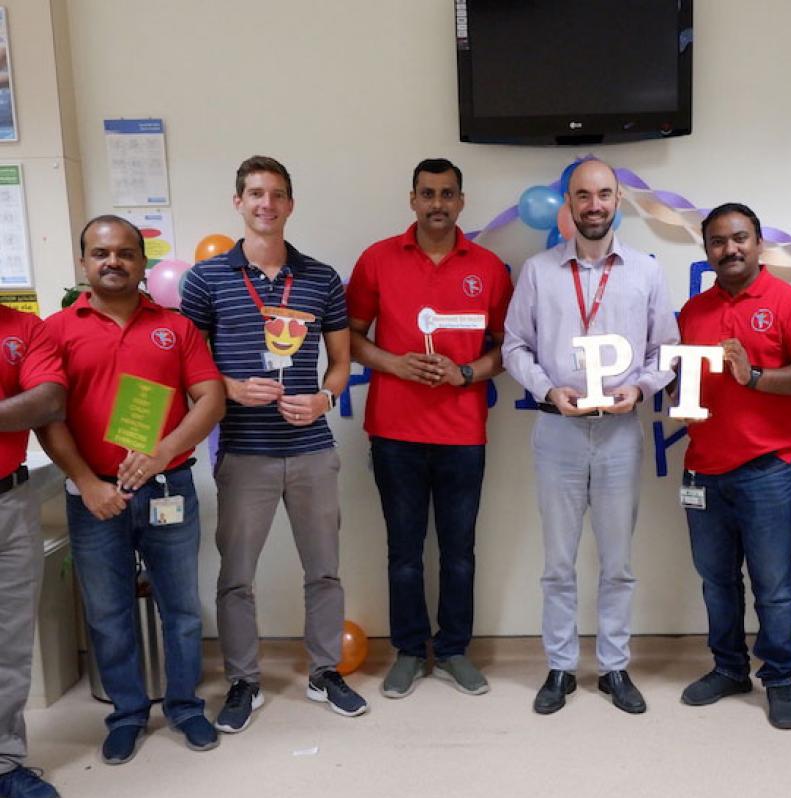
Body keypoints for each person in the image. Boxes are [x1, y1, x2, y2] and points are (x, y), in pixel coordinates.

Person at [182, 155, 362, 733]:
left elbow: (341, 361)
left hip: (311, 448)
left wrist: (324, 400)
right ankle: (243, 681)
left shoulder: (320, 278)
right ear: (238, 202)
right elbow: (186, 366)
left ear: (290, 204)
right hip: (243, 453)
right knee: (237, 575)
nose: (266, 203)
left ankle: (325, 671)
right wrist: (231, 388)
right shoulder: (206, 280)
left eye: (277, 194)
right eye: (255, 193)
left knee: (325, 572)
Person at [40, 216, 225, 764]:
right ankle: (125, 713)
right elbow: (49, 415)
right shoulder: (56, 329)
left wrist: (163, 452)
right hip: (95, 495)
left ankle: (187, 707)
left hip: (168, 487)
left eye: (125, 253)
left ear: (144, 263)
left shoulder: (176, 326)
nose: (113, 262)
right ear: (84, 262)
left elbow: (210, 397)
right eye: (101, 253)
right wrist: (84, 482)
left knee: (182, 608)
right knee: (108, 612)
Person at [503, 158, 679, 715]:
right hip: (557, 432)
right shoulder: (538, 272)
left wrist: (641, 389)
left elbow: (665, 352)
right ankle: (559, 667)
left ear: (618, 199)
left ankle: (614, 667)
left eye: (604, 193)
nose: (594, 204)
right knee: (558, 561)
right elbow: (514, 348)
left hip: (622, 432)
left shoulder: (646, 271)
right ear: (569, 205)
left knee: (618, 561)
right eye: (583, 195)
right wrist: (549, 390)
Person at [348, 158, 512, 698]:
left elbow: (505, 350)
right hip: (395, 432)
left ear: (462, 201)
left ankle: (455, 650)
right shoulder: (377, 260)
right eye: (427, 194)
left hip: (463, 434)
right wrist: (392, 363)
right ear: (412, 199)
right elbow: (348, 336)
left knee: (459, 552)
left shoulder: (487, 267)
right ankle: (409, 650)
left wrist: (466, 372)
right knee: (403, 551)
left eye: (447, 194)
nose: (437, 204)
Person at [678, 202, 791, 730]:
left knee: (774, 585)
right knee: (716, 582)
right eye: (718, 242)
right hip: (702, 471)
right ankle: (728, 669)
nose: (730, 249)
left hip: (766, 470)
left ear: (760, 242)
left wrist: (756, 377)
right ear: (707, 252)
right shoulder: (693, 311)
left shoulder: (790, 303)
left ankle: (780, 678)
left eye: (740, 238)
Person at [0, 305, 65, 798]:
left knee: (9, 644)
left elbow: (47, 400)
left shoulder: (23, 328)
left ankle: (4, 762)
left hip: (11, 504)